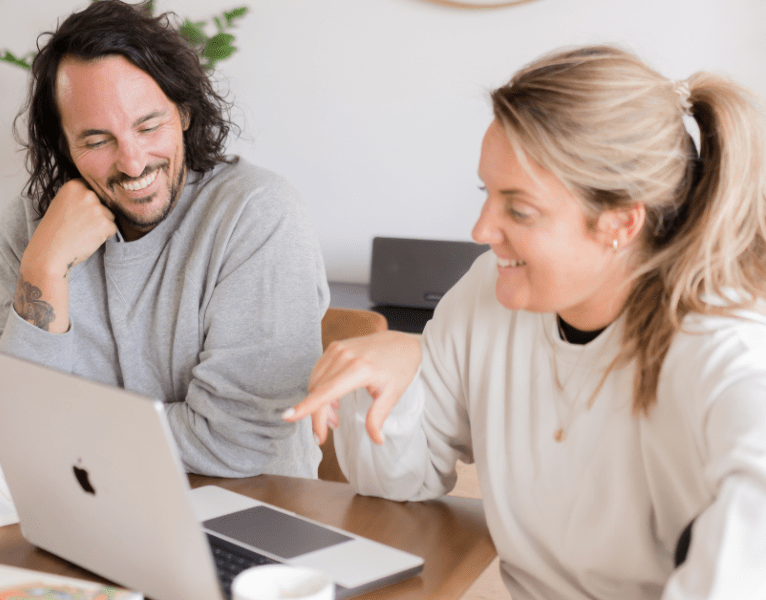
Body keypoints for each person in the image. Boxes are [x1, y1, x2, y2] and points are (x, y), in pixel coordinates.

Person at [287, 45, 766, 599]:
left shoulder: (724, 349)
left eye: (519, 209)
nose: (481, 229)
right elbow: (401, 481)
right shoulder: (488, 292)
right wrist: (384, 386)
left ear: (620, 223)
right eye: (485, 193)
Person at [0, 0, 329, 479]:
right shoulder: (30, 231)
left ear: (184, 111)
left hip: (248, 510)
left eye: (148, 126)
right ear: (64, 144)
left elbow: (236, 443)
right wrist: (45, 267)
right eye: (98, 141)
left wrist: (57, 429)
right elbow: (9, 426)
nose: (133, 162)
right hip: (90, 509)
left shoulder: (258, 214)